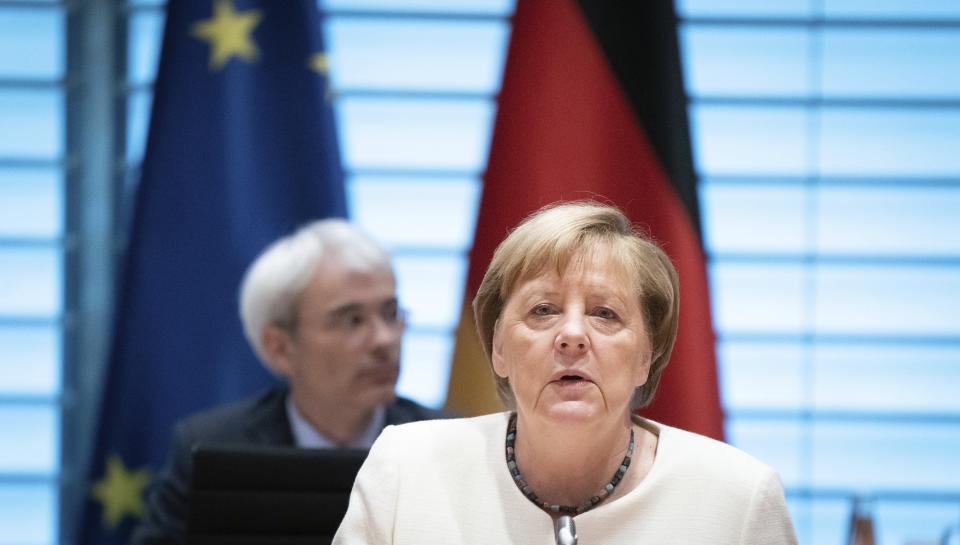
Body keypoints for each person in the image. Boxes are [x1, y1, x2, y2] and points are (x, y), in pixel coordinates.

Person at [333, 201, 797, 544]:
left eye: (605, 314)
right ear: (498, 349)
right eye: (543, 310)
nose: (572, 335)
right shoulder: (405, 470)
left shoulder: (738, 498)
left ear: (645, 357)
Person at [131, 219, 453, 545]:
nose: (384, 340)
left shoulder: (450, 445)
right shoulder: (211, 447)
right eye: (352, 320)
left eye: (390, 313)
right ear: (280, 348)